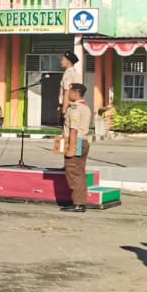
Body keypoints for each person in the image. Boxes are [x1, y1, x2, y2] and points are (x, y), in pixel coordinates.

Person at [59, 82, 92, 212]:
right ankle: (80, 202)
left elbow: (74, 129)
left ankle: (78, 204)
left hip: (75, 142)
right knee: (80, 173)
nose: (68, 94)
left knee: (74, 173)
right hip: (83, 142)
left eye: (70, 92)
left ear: (75, 93)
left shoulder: (75, 108)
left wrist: (71, 149)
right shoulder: (85, 107)